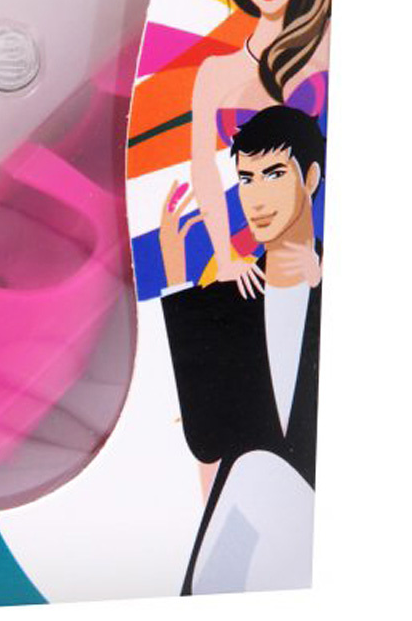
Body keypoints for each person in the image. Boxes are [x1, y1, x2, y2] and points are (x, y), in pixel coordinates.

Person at [159, 106, 325, 594]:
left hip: (318, 544)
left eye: (274, 174)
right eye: (246, 179)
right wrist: (176, 276)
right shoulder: (228, 305)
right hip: (243, 556)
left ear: (311, 178)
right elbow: (207, 441)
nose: (256, 198)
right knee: (251, 471)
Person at [191, 0, 331, 297]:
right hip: (249, 262)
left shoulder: (326, 43)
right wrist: (225, 256)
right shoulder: (215, 72)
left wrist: (324, 261)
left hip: (312, 253)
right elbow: (204, 169)